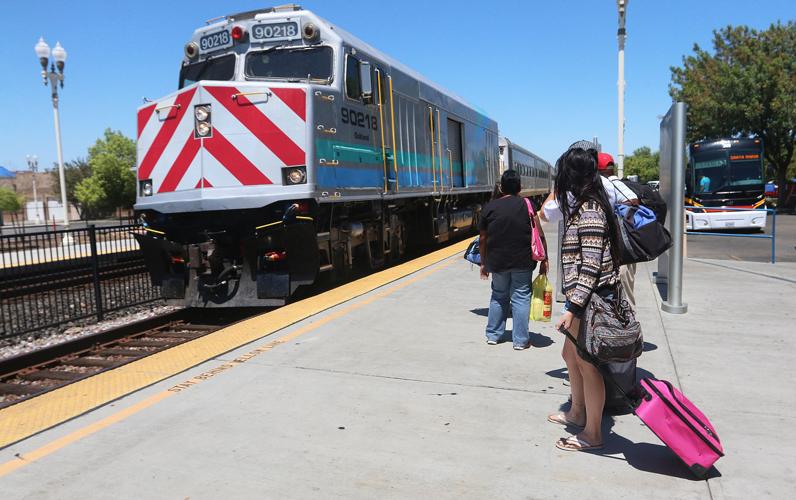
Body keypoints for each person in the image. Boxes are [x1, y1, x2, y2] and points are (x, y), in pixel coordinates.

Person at [547, 143, 623, 452]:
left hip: (591, 300)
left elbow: (590, 265)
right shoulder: (583, 205)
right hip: (583, 298)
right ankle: (578, 412)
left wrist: (573, 308)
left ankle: (593, 432)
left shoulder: (590, 212)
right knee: (570, 356)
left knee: (588, 365)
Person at [539, 149, 638, 306]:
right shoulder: (603, 189)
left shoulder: (587, 209)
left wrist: (574, 308)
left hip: (588, 295)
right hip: (601, 278)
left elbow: (591, 264)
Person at [479, 170, 548, 350]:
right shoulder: (528, 205)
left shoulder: (490, 207)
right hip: (522, 261)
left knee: (498, 296)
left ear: (501, 188)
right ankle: (520, 340)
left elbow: (483, 238)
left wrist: (483, 263)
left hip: (497, 261)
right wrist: (544, 258)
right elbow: (539, 233)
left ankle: (493, 335)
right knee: (521, 297)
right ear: (520, 187)